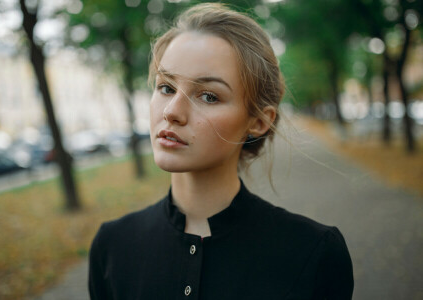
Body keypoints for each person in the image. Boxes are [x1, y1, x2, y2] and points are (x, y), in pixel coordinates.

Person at [88, 3, 354, 299]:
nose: (173, 112)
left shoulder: (314, 253)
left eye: (208, 96)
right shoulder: (112, 246)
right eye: (166, 87)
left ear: (258, 121)